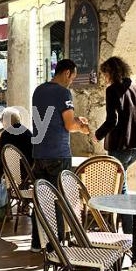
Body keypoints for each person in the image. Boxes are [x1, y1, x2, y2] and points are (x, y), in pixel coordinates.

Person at [31, 59, 90, 252]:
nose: (72, 80)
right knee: (58, 199)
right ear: (67, 73)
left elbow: (50, 120)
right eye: (73, 76)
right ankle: (54, 245)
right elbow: (68, 125)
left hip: (39, 153)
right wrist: (81, 127)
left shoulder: (38, 90)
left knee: (40, 198)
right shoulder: (63, 92)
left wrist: (74, 120)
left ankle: (36, 242)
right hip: (58, 152)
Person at [93, 57, 136, 235]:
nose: (105, 78)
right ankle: (120, 226)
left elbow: (112, 120)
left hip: (119, 146)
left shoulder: (112, 91)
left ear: (112, 72)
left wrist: (97, 135)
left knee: (121, 189)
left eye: (105, 73)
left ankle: (129, 232)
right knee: (121, 185)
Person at [0, 107, 33, 185]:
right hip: (29, 172)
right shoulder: (28, 132)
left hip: (12, 172)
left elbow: (2, 158)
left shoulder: (5, 134)